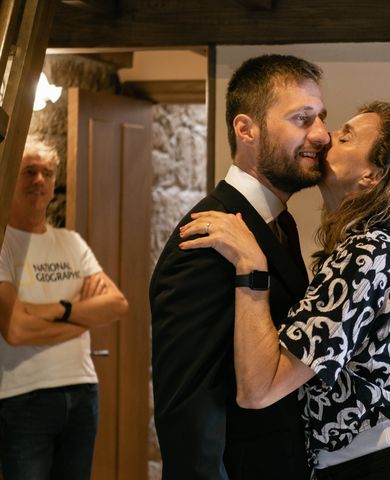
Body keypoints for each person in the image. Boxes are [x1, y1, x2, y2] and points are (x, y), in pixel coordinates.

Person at [179, 101, 390, 480]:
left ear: (371, 177)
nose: (325, 137)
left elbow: (258, 390)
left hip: (386, 466)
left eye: (345, 137)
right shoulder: (369, 248)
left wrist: (251, 267)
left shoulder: (369, 252)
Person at [149, 54, 329, 480]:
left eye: (322, 117)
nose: (322, 135)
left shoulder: (276, 226)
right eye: (302, 119)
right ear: (246, 129)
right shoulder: (205, 239)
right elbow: (189, 408)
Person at [0, 137, 129, 479]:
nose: (39, 180)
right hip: (22, 397)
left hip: (84, 391)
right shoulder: (3, 246)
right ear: (9, 175)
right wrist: (83, 315)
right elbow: (15, 330)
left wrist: (53, 309)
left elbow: (117, 304)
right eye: (29, 172)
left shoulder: (70, 242)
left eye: (47, 173)